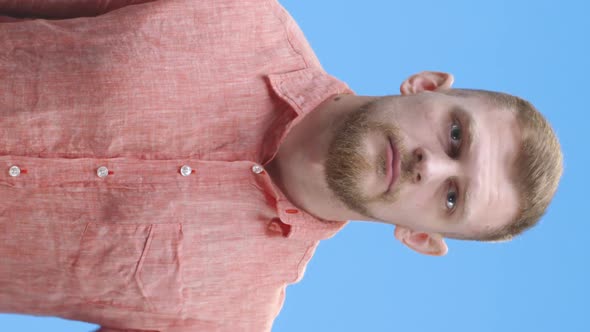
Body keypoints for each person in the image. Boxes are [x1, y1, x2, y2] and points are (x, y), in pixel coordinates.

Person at [0, 0, 563, 331]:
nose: (429, 166)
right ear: (427, 85)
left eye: (451, 199)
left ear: (420, 237)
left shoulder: (226, 319)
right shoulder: (228, 12)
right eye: (456, 135)